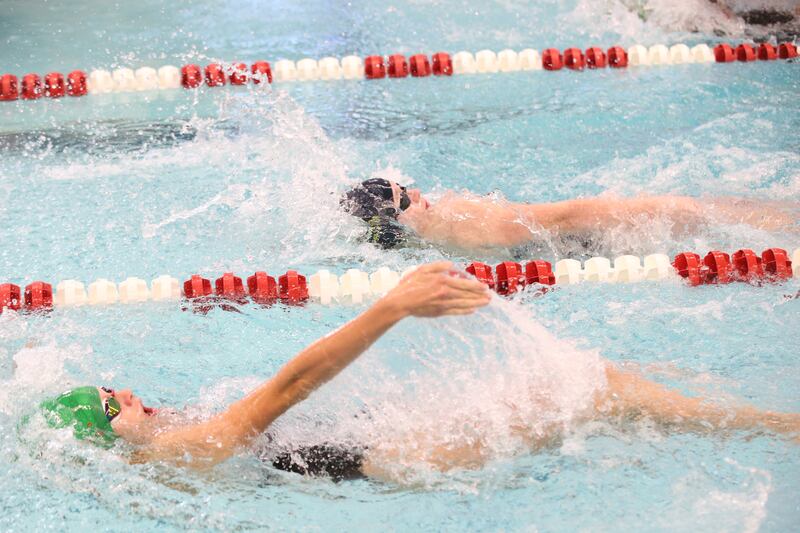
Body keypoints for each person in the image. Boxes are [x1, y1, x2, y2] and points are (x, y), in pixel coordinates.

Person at [37, 262, 799, 482]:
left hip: (370, 442)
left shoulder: (165, 444)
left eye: (118, 386)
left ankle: (733, 416)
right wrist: (392, 306)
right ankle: (779, 427)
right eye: (114, 404)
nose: (132, 394)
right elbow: (288, 388)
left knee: (607, 387)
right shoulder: (180, 450)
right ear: (111, 440)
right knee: (591, 388)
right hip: (400, 461)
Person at [341, 179, 799, 252]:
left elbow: (570, 215)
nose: (420, 194)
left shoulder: (461, 218)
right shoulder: (445, 225)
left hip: (599, 235)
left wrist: (672, 210)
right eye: (406, 200)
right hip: (569, 247)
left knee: (709, 214)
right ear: (392, 225)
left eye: (408, 185)